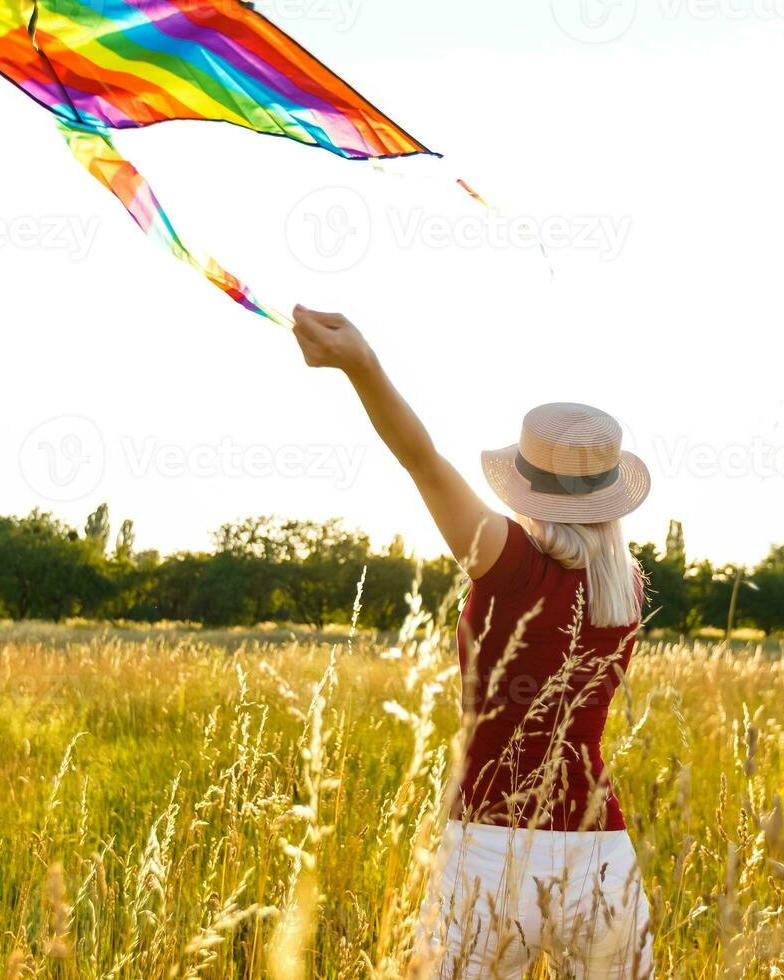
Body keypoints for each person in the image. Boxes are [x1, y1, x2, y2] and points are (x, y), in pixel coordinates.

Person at [291, 306, 656, 978]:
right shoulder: (625, 586)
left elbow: (422, 463)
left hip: (488, 850)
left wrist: (361, 364)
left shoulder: (510, 560)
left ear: (527, 483)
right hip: (603, 854)